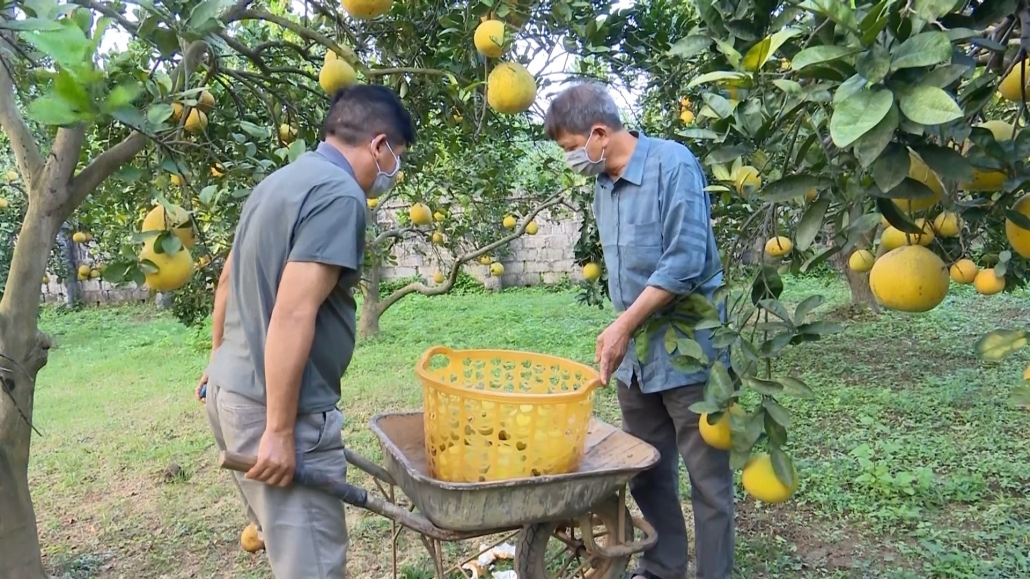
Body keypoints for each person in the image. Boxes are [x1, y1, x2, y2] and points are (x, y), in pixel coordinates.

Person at [195, 84, 416, 579]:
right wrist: (278, 430)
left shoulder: (280, 181)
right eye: (396, 159)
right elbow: (294, 312)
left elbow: (228, 278)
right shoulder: (340, 195)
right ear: (379, 146)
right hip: (280, 413)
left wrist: (218, 362)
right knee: (311, 566)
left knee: (287, 550)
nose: (392, 174)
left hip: (232, 392)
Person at [544, 81, 733, 579]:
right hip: (636, 362)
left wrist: (624, 324)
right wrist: (625, 332)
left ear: (599, 133)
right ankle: (663, 569)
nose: (571, 160)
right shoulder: (603, 186)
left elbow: (686, 260)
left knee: (707, 481)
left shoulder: (673, 165)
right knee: (648, 471)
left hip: (691, 352)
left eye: (570, 148)